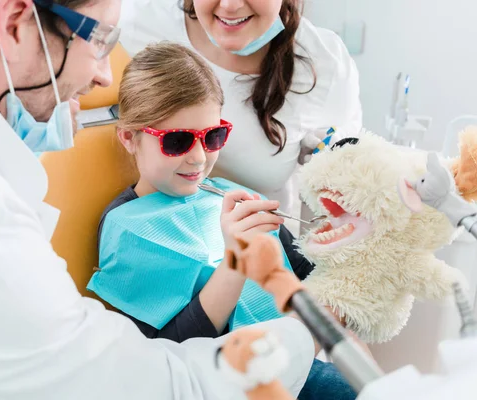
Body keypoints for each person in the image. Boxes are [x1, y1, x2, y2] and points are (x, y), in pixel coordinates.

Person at [0, 0, 315, 399]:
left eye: (212, 135)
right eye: (101, 39)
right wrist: (308, 333)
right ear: (15, 25)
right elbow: (157, 387)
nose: (105, 76)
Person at [88, 42, 357, 400]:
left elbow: (311, 274)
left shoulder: (227, 192)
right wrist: (236, 262)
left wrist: (336, 243)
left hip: (298, 361)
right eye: (177, 141)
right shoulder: (127, 227)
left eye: (213, 136)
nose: (199, 158)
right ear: (129, 138)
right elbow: (165, 363)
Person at [118, 0, 362, 213]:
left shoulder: (325, 66)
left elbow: (343, 199)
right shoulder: (134, 23)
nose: (230, 6)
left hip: (259, 245)